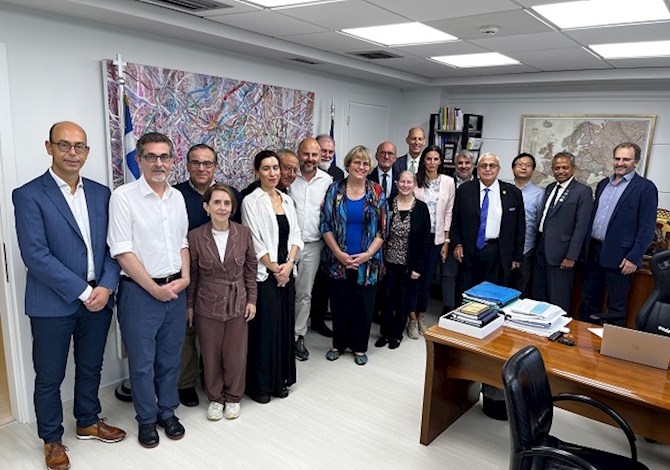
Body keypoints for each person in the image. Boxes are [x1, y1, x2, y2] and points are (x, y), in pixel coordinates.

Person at [13, 121, 126, 470]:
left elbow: (113, 246)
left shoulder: (101, 193)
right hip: (53, 302)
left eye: (79, 146)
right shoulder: (29, 194)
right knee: (50, 375)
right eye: (64, 145)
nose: (72, 152)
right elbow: (35, 255)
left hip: (99, 299)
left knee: (91, 365)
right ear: (49, 148)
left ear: (88, 151)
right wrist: (84, 291)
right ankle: (52, 439)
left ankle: (88, 421)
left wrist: (106, 287)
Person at [108, 132, 190, 448]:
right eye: (151, 156)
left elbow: (182, 242)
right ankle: (146, 419)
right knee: (142, 363)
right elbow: (122, 251)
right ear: (139, 159)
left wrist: (185, 278)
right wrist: (154, 290)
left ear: (172, 160)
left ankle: (166, 411)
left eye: (165, 156)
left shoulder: (177, 197)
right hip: (140, 293)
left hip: (175, 288)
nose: (159, 163)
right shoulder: (124, 197)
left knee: (170, 359)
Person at [187, 183, 257, 420]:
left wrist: (252, 300)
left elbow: (250, 269)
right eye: (217, 202)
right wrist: (189, 306)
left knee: (236, 353)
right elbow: (193, 275)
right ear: (206, 206)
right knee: (211, 353)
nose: (222, 207)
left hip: (238, 300)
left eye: (227, 203)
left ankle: (234, 396)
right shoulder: (195, 237)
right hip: (207, 303)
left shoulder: (243, 233)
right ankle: (216, 398)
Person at [241, 150, 303, 403]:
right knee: (264, 330)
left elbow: (297, 235)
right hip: (265, 275)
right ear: (257, 172)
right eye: (266, 168)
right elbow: (254, 241)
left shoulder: (286, 200)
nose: (273, 173)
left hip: (286, 273)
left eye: (276, 167)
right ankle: (260, 386)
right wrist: (275, 268)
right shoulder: (251, 201)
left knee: (283, 328)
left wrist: (288, 265)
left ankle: (280, 380)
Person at [321, 145, 389, 366]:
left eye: (366, 164)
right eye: (357, 162)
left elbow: (382, 230)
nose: (361, 167)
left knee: (363, 305)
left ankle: (360, 347)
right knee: (340, 303)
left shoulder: (377, 192)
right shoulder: (335, 190)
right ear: (348, 164)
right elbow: (326, 225)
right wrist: (339, 254)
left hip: (367, 262)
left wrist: (367, 255)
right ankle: (338, 344)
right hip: (338, 260)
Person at [579, 143, 658, 325]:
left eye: (626, 159)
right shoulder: (603, 184)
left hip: (622, 257)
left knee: (616, 308)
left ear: (636, 161)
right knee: (588, 302)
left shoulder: (645, 188)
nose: (620, 163)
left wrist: (634, 257)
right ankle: (583, 349)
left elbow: (647, 228)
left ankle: (609, 350)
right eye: (617, 158)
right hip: (594, 252)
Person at [173, 143, 218, 407]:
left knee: (213, 329)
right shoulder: (174, 195)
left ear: (215, 166)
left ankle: (210, 377)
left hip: (218, 275)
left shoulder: (225, 195)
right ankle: (185, 383)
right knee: (187, 329)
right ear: (187, 165)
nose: (201, 168)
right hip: (185, 272)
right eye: (196, 163)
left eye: (207, 163)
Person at [451, 152, 525, 290]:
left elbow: (520, 227)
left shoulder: (513, 193)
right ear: (478, 168)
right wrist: (457, 243)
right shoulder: (464, 190)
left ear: (498, 169)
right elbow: (455, 220)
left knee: (494, 294)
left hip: (498, 251)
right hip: (470, 251)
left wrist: (517, 256)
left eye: (492, 165)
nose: (488, 169)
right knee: (468, 292)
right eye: (483, 165)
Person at [289, 137, 333, 360]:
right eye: (306, 154)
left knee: (304, 293)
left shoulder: (327, 181)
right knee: (284, 291)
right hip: (286, 246)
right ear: (299, 153)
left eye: (315, 155)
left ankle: (298, 336)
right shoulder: (288, 178)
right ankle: (281, 334)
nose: (310, 159)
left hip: (313, 245)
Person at [377, 171, 430, 349]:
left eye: (409, 182)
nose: (405, 185)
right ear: (397, 183)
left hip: (409, 264)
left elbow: (424, 240)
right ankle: (384, 333)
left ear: (414, 184)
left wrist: (418, 267)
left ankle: (396, 334)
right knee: (387, 299)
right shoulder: (388, 204)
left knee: (403, 299)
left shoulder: (421, 208)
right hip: (388, 261)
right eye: (402, 181)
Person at [534, 152, 593, 312]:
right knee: (539, 296)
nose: (560, 171)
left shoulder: (583, 191)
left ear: (574, 168)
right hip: (541, 249)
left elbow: (582, 227)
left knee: (558, 299)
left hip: (562, 255)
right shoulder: (550, 188)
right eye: (557, 168)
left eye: (565, 167)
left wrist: (571, 256)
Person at [410, 145, 455, 338]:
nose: (432, 162)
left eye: (436, 159)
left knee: (427, 280)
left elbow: (448, 212)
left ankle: (421, 316)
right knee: (412, 280)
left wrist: (446, 241)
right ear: (423, 160)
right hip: (415, 239)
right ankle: (411, 318)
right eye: (428, 159)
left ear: (440, 161)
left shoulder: (448, 182)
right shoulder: (414, 180)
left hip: (435, 239)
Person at [441, 150, 476, 312]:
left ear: (473, 165)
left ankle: (465, 309)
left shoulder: (480, 185)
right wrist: (455, 242)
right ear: (455, 165)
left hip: (473, 240)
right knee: (448, 274)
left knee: (468, 276)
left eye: (467, 163)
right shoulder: (447, 183)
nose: (463, 166)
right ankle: (448, 307)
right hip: (449, 235)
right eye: (460, 163)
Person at [511, 152, 544, 298]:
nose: (524, 168)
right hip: (504, 248)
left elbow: (539, 223)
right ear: (513, 168)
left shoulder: (539, 194)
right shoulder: (504, 190)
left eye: (528, 165)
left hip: (527, 249)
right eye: (520, 165)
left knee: (521, 290)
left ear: (533, 170)